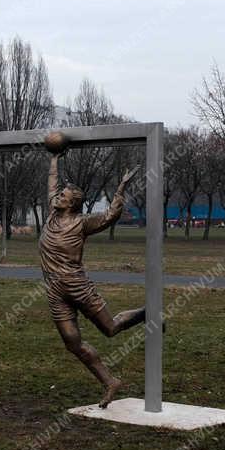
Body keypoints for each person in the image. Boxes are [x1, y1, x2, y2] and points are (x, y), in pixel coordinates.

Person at [39, 149, 144, 409]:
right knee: (72, 342)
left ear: (72, 203)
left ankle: (148, 312)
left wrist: (121, 188)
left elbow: (110, 216)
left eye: (63, 196)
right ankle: (111, 382)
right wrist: (54, 159)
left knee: (110, 329)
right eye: (60, 193)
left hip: (78, 287)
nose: (57, 196)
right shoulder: (51, 216)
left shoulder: (82, 223)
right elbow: (51, 184)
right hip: (55, 292)